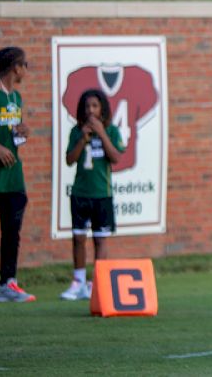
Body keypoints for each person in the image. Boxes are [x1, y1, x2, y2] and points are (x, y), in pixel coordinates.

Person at [60, 89, 125, 301]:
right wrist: (83, 139)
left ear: (102, 109)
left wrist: (101, 133)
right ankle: (78, 282)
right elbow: (70, 160)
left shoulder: (112, 131)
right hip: (81, 193)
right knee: (78, 237)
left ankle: (96, 283)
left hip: (102, 194)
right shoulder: (76, 131)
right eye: (87, 106)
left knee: (100, 240)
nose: (91, 110)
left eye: (95, 106)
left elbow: (115, 157)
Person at [0, 47, 34, 302]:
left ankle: (7, 285)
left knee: (12, 232)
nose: (27, 69)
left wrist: (21, 133)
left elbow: (10, 134)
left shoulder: (16, 98)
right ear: (16, 67)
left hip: (13, 176)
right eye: (26, 64)